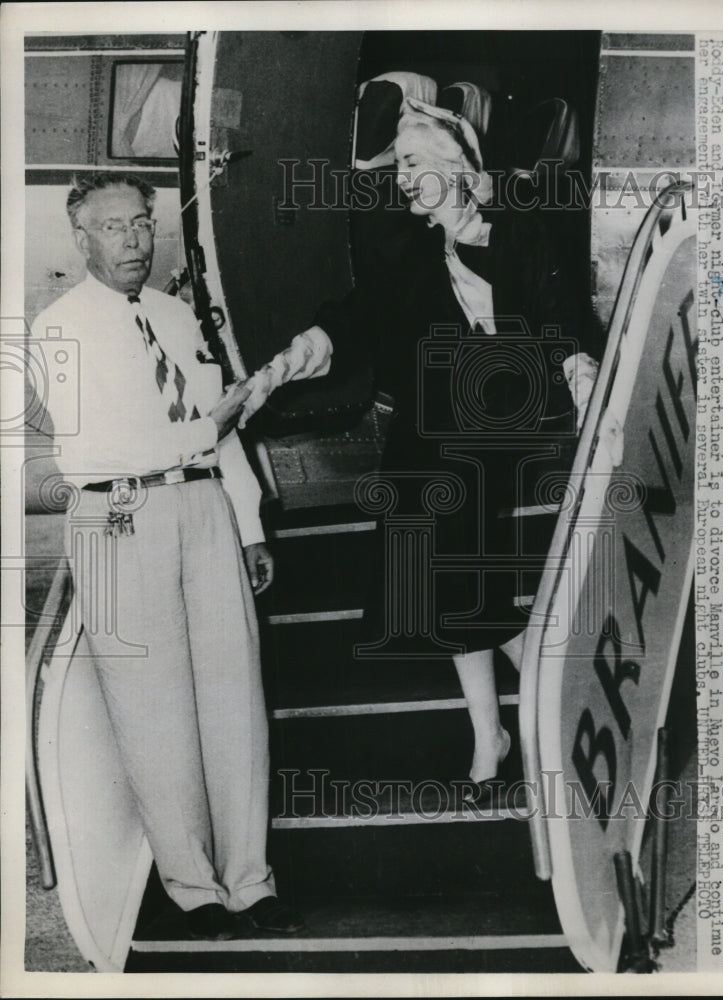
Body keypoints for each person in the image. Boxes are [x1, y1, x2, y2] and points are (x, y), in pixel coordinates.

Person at [242, 99, 599, 794]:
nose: (401, 179)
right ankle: (502, 726)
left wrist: (578, 376)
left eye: (410, 164)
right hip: (430, 425)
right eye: (399, 166)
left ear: (453, 165)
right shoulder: (404, 248)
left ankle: (539, 713)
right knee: (430, 580)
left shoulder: (518, 230)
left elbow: (559, 322)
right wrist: (289, 360)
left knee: (451, 575)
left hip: (500, 419)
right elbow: (353, 317)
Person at [33, 172, 303, 940]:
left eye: (142, 225)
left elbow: (227, 432)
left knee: (234, 701)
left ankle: (253, 880)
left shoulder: (178, 316)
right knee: (153, 713)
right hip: (117, 513)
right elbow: (86, 454)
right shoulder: (59, 329)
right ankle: (194, 888)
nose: (132, 241)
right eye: (112, 228)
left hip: (204, 507)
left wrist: (247, 525)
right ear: (81, 239)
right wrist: (203, 433)